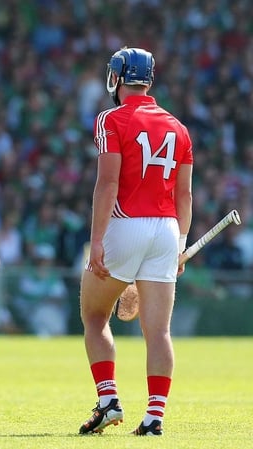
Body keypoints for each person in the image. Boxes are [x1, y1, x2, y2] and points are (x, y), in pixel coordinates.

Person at [78, 47, 193, 436]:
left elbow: (108, 183)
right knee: (159, 332)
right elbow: (185, 197)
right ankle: (154, 417)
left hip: (125, 225)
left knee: (94, 316)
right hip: (166, 229)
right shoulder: (178, 127)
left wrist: (96, 241)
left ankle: (108, 400)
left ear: (118, 76)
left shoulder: (111, 119)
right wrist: (180, 243)